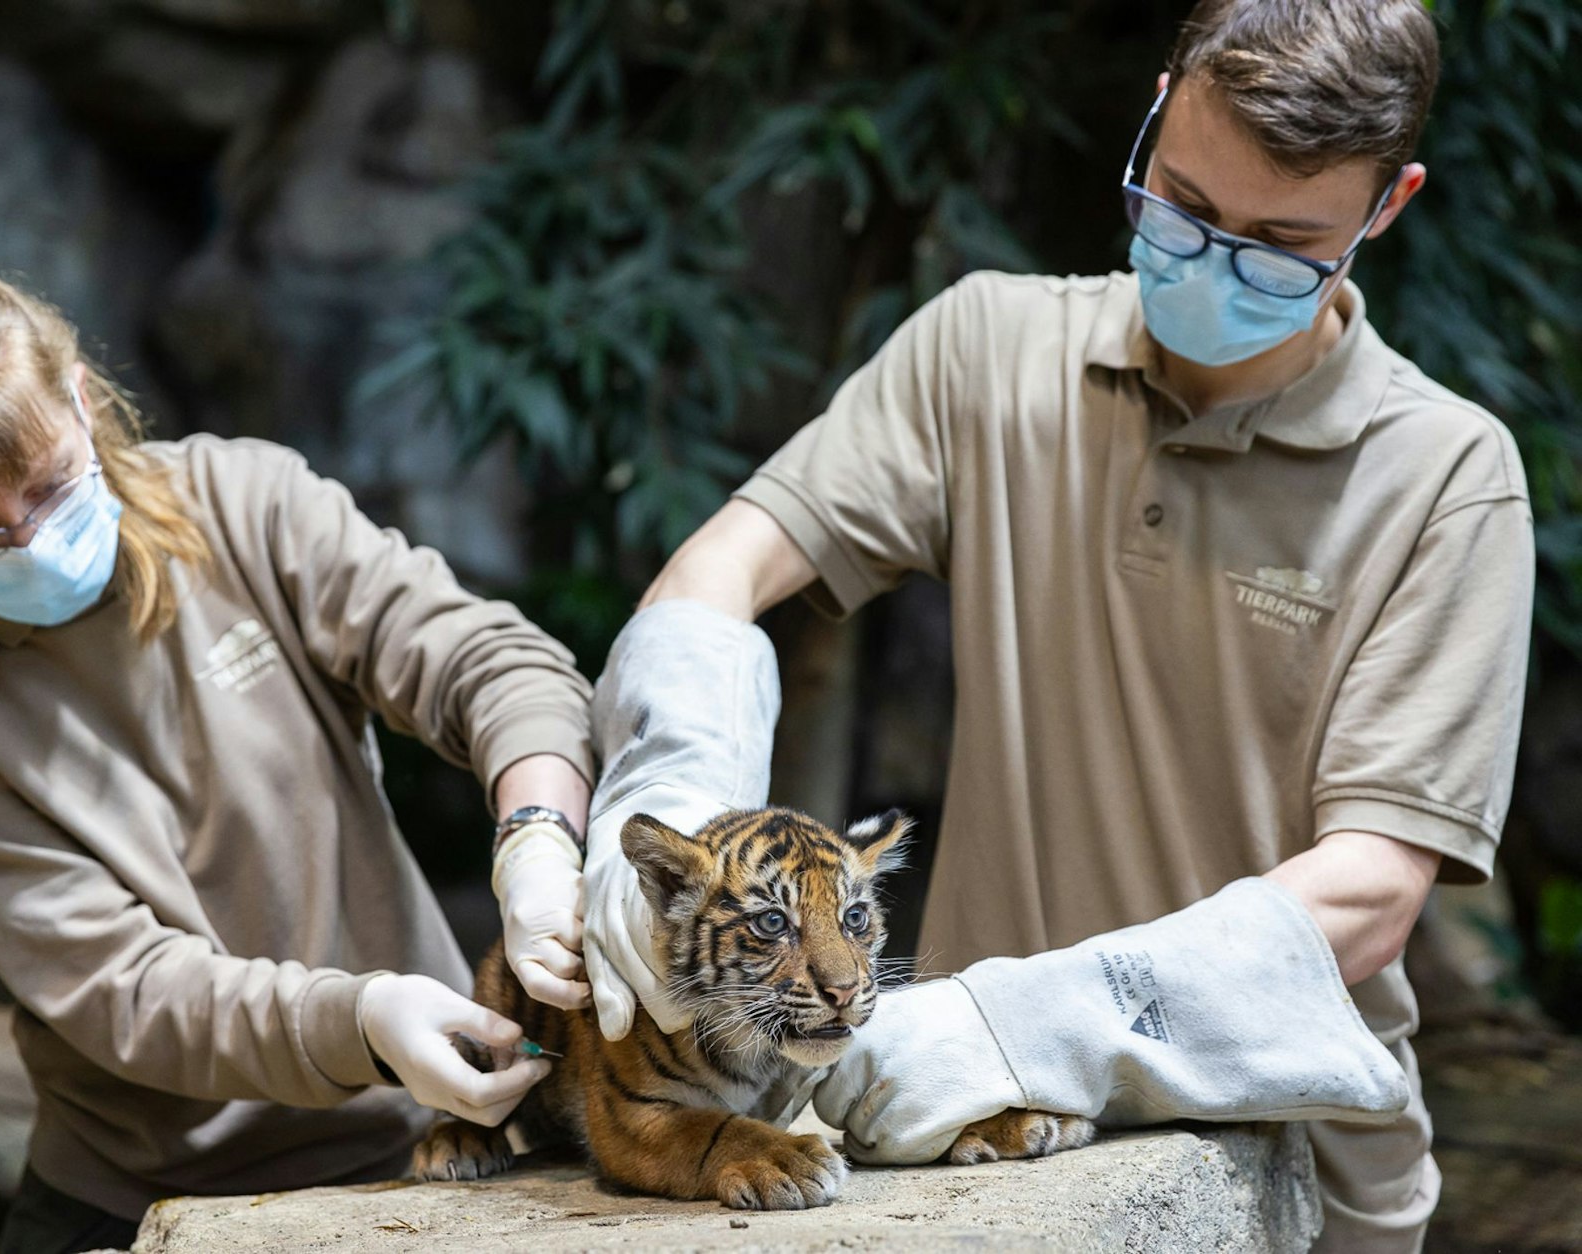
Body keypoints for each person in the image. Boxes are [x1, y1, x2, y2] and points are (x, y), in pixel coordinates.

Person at [579, 2, 1533, 1250]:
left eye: (1278, 247)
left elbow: (1367, 894)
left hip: (1284, 1165)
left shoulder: (1447, 477)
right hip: (968, 1149)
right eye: (1182, 206)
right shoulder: (986, 348)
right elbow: (720, 569)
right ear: (1152, 112)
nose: (1209, 260)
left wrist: (1014, 1022)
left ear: (1384, 207)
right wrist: (665, 801)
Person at [0, 262, 596, 1254]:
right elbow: (128, 993)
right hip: (149, 1185)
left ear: (83, 398)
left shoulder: (243, 501)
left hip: (432, 1132)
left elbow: (489, 662)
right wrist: (360, 1022)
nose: (28, 539)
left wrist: (536, 844)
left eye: (50, 486)